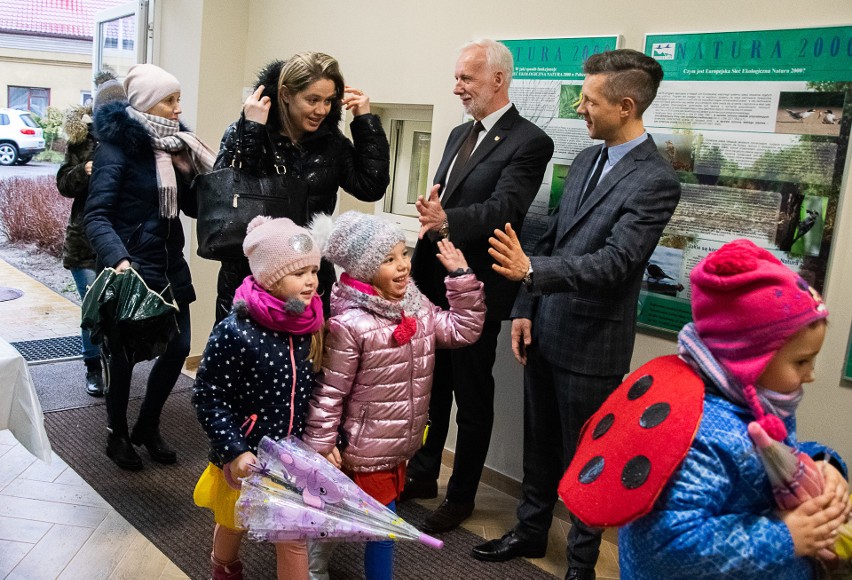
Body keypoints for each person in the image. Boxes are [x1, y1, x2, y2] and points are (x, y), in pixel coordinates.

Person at [483, 49, 681, 579]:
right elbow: (553, 236)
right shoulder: (589, 159)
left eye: (589, 101)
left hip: (592, 346)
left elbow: (616, 263)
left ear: (626, 105)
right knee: (539, 444)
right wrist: (526, 305)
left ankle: (580, 565)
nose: (579, 109)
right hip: (545, 326)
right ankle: (529, 532)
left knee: (588, 459)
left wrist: (531, 273)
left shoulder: (657, 181)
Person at [619, 239, 850, 579]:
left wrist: (820, 464)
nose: (811, 375)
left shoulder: (755, 401)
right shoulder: (698, 435)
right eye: (801, 361)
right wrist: (785, 537)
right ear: (748, 358)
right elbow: (663, 546)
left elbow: (767, 461)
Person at [403, 38, 554, 534]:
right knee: (430, 388)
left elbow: (505, 209)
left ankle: (461, 495)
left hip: (479, 289)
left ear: (498, 79)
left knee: (471, 395)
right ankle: (423, 475)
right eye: (457, 77)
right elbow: (443, 202)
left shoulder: (530, 141)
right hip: (433, 283)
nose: (457, 88)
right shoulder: (456, 134)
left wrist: (446, 221)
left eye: (466, 79)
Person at [302, 211, 485, 579]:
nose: (403, 266)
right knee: (377, 527)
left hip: (397, 444)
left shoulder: (415, 305)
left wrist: (461, 278)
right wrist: (320, 445)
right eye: (388, 260)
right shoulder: (350, 323)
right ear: (364, 268)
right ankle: (312, 567)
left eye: (404, 254)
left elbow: (462, 329)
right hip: (362, 447)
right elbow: (330, 390)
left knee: (352, 516)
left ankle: (314, 559)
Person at [85, 63, 216, 470]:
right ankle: (117, 435)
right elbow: (96, 215)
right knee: (124, 357)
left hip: (169, 263)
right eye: (170, 100)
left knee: (178, 348)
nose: (179, 109)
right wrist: (118, 259)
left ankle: (147, 424)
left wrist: (190, 176)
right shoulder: (117, 147)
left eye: (179, 100)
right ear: (145, 103)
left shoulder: (177, 147)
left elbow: (191, 210)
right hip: (131, 270)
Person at [211, 52, 390, 323]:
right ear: (285, 94)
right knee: (246, 361)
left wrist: (365, 122)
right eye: (312, 99)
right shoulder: (248, 130)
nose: (322, 110)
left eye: (329, 101)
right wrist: (251, 131)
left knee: (308, 363)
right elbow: (224, 192)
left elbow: (370, 187)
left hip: (310, 277)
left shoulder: (331, 142)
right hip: (252, 278)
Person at [193, 216, 325, 580]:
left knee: (293, 537)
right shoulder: (234, 331)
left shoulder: (309, 324)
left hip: (293, 457)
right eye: (299, 272)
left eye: (314, 269)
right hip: (246, 455)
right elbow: (208, 395)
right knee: (234, 520)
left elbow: (318, 389)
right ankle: (224, 567)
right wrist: (234, 450)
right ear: (270, 275)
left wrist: (328, 440)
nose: (311, 280)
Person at [56, 72, 126, 397]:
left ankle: (111, 357)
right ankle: (93, 366)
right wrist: (83, 171)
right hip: (84, 240)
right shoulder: (81, 139)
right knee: (91, 306)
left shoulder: (129, 141)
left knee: (111, 307)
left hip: (116, 240)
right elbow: (62, 184)